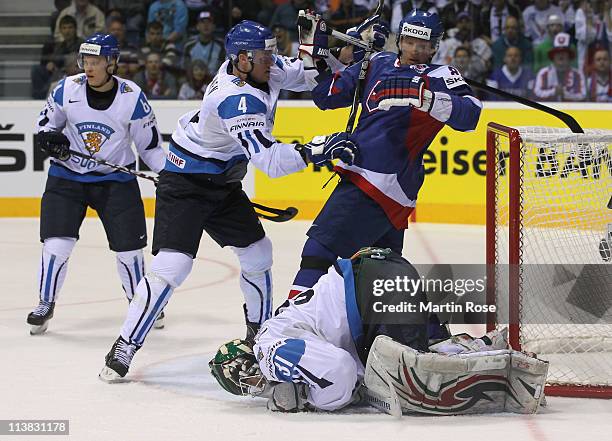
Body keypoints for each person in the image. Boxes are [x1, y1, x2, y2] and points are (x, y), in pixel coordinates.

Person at [98, 20, 357, 382]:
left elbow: (306, 76)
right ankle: (125, 344)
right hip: (186, 184)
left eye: (271, 52)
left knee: (258, 253)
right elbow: (268, 162)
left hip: (220, 180)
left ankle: (260, 335)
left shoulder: (261, 68)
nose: (272, 60)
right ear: (242, 60)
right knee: (172, 266)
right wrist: (317, 149)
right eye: (264, 55)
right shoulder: (235, 99)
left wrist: (345, 53)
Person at [209, 248, 547, 414]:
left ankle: (502, 366)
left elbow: (339, 373)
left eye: (248, 380)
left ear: (247, 358)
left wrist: (306, 399)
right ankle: (487, 347)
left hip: (370, 297)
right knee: (429, 353)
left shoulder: (267, 348)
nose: (258, 385)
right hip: (381, 273)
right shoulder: (283, 326)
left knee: (419, 383)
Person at [288, 10, 482, 297]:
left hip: (378, 180)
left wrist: (424, 97)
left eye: (425, 44)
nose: (416, 50)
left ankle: (290, 322)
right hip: (381, 182)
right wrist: (311, 51)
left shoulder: (440, 74)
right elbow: (325, 96)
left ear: (435, 47)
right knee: (378, 273)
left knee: (319, 250)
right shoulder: (378, 61)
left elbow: (471, 115)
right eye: (410, 41)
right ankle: (388, 334)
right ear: (400, 39)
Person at [28, 33, 166, 335]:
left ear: (112, 63)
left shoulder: (132, 97)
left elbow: (150, 147)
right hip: (67, 178)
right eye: (85, 61)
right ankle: (45, 303)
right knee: (56, 244)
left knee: (129, 251)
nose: (88, 68)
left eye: (96, 62)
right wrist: (52, 142)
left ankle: (141, 304)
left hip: (116, 180)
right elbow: (44, 128)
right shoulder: (67, 89)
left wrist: (169, 175)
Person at [534, 32, 586, 101]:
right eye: (557, 52)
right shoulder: (543, 73)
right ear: (553, 56)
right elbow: (536, 93)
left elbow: (583, 95)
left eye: (564, 52)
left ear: (569, 56)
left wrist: (566, 94)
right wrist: (553, 92)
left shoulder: (578, 74)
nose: (561, 55)